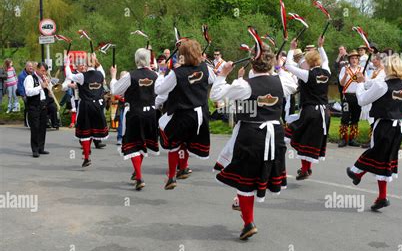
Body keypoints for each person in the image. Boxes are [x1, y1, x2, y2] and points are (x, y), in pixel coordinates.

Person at [210, 43, 297, 240]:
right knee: (260, 171)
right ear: (271, 62)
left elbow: (215, 96)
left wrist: (223, 74)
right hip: (275, 134)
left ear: (252, 63)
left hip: (251, 134)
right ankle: (242, 205)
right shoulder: (280, 83)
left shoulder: (244, 85)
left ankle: (248, 221)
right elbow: (293, 84)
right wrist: (280, 67)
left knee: (245, 179)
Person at [346, 54, 402, 211]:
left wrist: (361, 83)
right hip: (399, 128)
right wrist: (368, 82)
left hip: (384, 125)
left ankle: (357, 172)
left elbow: (362, 100)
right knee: (384, 158)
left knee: (376, 153)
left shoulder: (382, 85)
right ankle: (380, 195)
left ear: (389, 68)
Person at [155, 39, 216, 190]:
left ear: (182, 56)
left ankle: (171, 177)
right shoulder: (206, 68)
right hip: (201, 115)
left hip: (182, 115)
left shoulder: (176, 74)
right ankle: (183, 168)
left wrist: (162, 73)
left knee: (171, 139)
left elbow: (159, 90)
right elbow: (213, 80)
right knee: (185, 142)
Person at [110, 48, 159, 191]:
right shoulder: (155, 75)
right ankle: (136, 172)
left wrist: (113, 76)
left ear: (136, 59)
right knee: (142, 143)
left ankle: (139, 177)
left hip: (135, 114)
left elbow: (115, 91)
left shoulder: (130, 76)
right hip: (150, 114)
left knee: (133, 145)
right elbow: (161, 91)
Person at [284, 36, 331, 180]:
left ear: (309, 62)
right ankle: (305, 169)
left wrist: (291, 49)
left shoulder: (307, 75)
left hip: (311, 112)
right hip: (325, 112)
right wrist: (321, 47)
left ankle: (275, 157)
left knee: (294, 135)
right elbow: (327, 61)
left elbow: (288, 66)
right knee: (310, 141)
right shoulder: (327, 72)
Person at [64, 53, 109, 167]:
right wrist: (96, 61)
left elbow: (69, 75)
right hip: (98, 106)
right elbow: (100, 68)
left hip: (86, 106)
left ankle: (87, 156)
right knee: (94, 130)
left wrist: (67, 63)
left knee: (84, 131)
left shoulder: (82, 76)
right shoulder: (100, 74)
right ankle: (88, 151)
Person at [359, 52, 387, 148]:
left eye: (375, 59)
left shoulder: (383, 72)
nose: (373, 60)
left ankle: (374, 140)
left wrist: (364, 82)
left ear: (380, 61)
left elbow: (376, 83)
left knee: (374, 118)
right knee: (372, 118)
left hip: (377, 97)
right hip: (373, 95)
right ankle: (372, 139)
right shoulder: (377, 70)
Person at [338, 50, 365, 147]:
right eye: (352, 58)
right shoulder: (344, 69)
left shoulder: (362, 69)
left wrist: (362, 77)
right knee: (345, 117)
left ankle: (352, 138)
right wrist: (345, 74)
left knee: (355, 118)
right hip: (347, 96)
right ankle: (343, 138)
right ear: (349, 59)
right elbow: (341, 83)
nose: (354, 60)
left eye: (356, 58)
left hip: (357, 96)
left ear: (358, 60)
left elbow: (365, 83)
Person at [24, 62, 49, 157]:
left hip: (43, 104)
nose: (44, 73)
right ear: (37, 69)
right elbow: (28, 92)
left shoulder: (43, 78)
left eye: (45, 71)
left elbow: (47, 92)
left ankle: (41, 148)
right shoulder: (29, 78)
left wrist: (49, 87)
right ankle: (35, 149)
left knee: (43, 127)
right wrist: (40, 87)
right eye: (42, 70)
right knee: (35, 128)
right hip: (34, 106)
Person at [17, 61, 35, 127]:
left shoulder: (33, 74)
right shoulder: (21, 75)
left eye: (32, 66)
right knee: (27, 107)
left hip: (32, 93)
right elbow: (20, 86)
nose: (31, 67)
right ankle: (26, 122)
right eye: (29, 66)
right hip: (25, 94)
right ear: (26, 67)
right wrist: (23, 95)